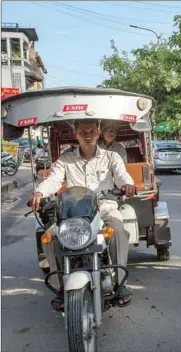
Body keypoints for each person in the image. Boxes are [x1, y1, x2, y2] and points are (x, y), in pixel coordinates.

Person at [28, 119, 136, 311]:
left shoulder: (112, 157)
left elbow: (121, 174)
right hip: (74, 213)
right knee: (50, 237)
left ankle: (120, 284)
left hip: (104, 209)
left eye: (92, 131)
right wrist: (40, 193)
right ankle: (61, 286)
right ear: (76, 134)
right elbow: (53, 180)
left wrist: (127, 185)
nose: (88, 135)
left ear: (98, 132)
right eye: (83, 131)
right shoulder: (65, 160)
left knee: (119, 231)